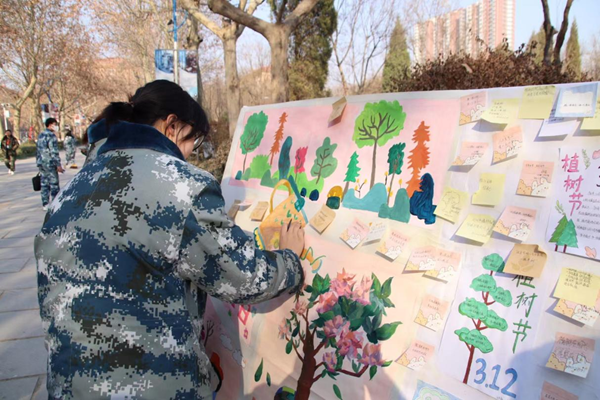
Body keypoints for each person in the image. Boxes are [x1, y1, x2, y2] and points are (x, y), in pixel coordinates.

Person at [34, 80, 308, 399]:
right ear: (172, 125)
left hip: (70, 386)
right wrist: (290, 261)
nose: (191, 153)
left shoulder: (71, 189)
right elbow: (243, 276)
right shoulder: (181, 186)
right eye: (194, 140)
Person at [36, 118, 64, 210]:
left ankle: (45, 203)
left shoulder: (41, 135)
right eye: (55, 124)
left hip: (41, 162)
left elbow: (38, 150)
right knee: (54, 183)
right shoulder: (51, 136)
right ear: (50, 124)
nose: (56, 126)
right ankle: (55, 203)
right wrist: (58, 164)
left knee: (44, 183)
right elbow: (53, 151)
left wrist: (38, 162)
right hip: (50, 163)